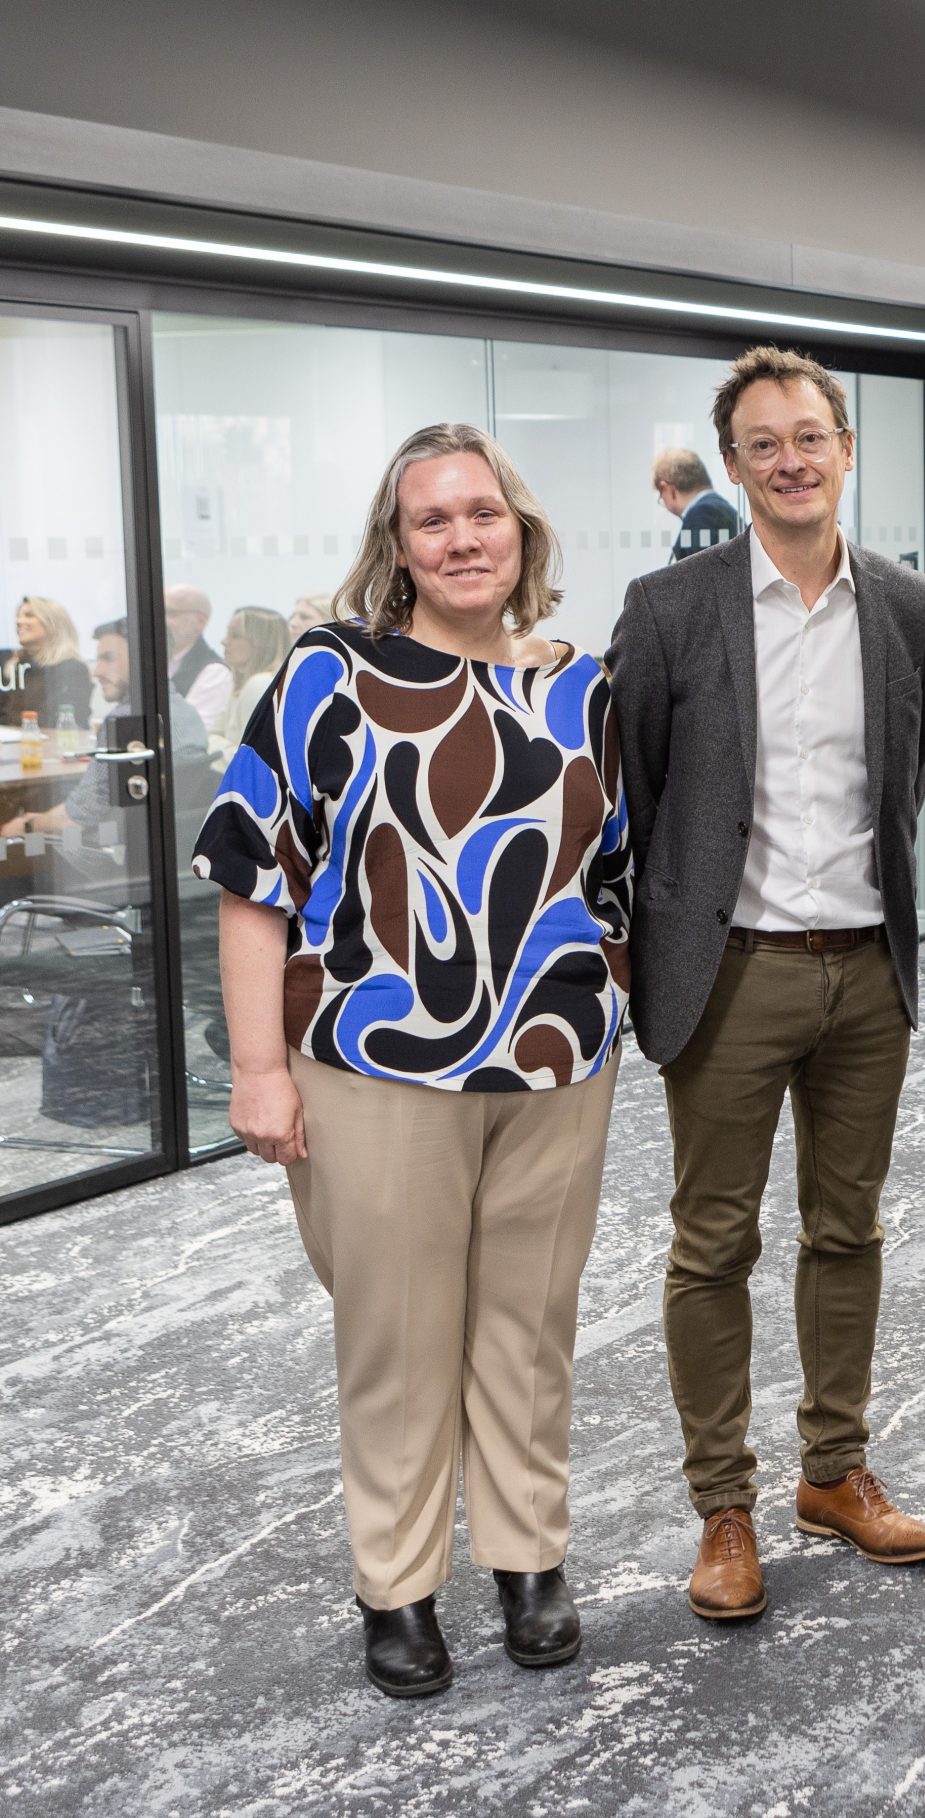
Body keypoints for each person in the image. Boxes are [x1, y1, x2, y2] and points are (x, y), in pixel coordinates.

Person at [193, 423, 631, 1700]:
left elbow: (616, 872)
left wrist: (608, 991)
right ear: (396, 546)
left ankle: (528, 1560)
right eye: (431, 519)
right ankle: (398, 1585)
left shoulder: (579, 685)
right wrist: (258, 1069)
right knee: (395, 1337)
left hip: (556, 1060)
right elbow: (250, 879)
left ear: (522, 530)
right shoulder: (324, 678)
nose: (462, 538)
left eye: (481, 513)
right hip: (375, 1066)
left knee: (529, 1325)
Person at [608, 345, 925, 1624]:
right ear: (736, 464)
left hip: (864, 969)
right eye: (764, 442)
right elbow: (635, 794)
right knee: (714, 1243)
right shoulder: (669, 608)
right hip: (730, 972)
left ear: (846, 449)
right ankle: (724, 1507)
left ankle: (835, 1472)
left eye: (811, 437)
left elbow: (905, 783)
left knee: (847, 1232)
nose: (791, 460)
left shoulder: (907, 606)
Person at [0, 617, 205, 851]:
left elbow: (75, 818)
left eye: (108, 659)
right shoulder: (188, 714)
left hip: (107, 856)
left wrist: (27, 825)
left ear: (144, 659)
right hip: (163, 849)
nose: (96, 672)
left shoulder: (126, 723)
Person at [2, 595, 92, 732]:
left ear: (52, 622)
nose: (18, 621)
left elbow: (67, 722)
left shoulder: (71, 669)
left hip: (45, 747)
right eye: (18, 616)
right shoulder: (13, 665)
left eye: (29, 615)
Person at [210, 604, 288, 761]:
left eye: (236, 635)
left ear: (261, 642)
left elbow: (251, 759)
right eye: (228, 633)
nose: (224, 641)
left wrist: (218, 748)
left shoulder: (260, 684)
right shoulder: (241, 684)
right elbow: (209, 736)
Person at [653, 446, 742, 563]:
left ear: (668, 489)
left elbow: (699, 576)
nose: (663, 502)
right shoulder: (717, 508)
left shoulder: (701, 515)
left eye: (661, 496)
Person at [163, 583, 233, 727]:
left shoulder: (214, 672)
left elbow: (190, 730)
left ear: (200, 621)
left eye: (170, 613)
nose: (160, 620)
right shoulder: (153, 663)